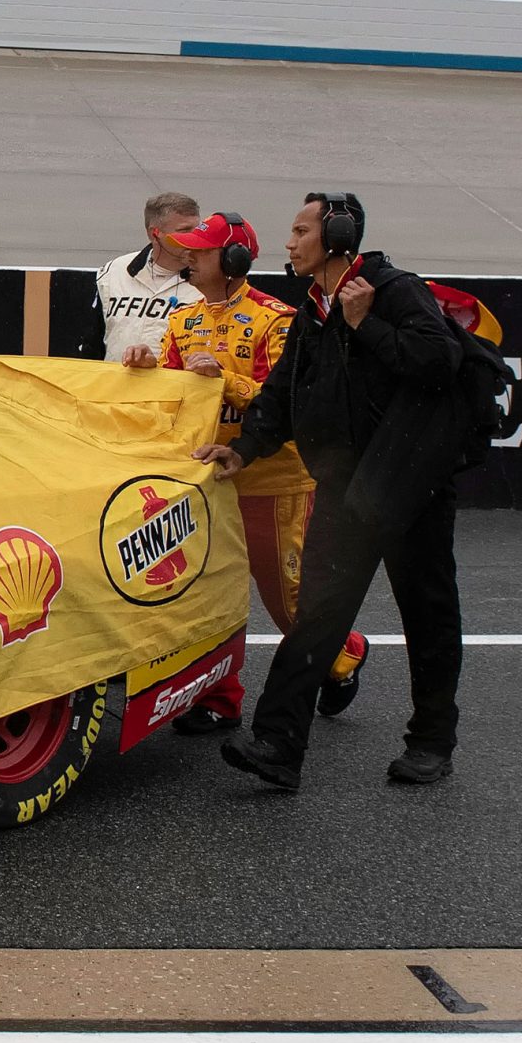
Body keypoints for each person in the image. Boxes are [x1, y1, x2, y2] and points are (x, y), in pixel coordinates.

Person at [200, 194, 472, 789]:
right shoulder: (314, 309)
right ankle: (277, 745)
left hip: (408, 484)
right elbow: (282, 394)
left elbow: (439, 360)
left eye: (300, 230)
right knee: (317, 615)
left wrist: (366, 325)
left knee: (427, 611)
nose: (289, 243)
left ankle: (431, 742)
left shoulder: (391, 290)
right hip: (347, 486)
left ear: (339, 235)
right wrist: (243, 449)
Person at [141, 213, 369, 736]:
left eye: (200, 250)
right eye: (187, 250)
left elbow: (289, 402)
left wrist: (224, 381)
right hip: (206, 482)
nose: (188, 258)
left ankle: (346, 652)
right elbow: (170, 398)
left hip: (275, 483)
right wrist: (142, 369)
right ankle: (220, 698)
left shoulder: (278, 320)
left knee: (289, 600)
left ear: (236, 260)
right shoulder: (181, 320)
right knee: (206, 594)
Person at [90, 192, 203, 363]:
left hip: (175, 389)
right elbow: (92, 344)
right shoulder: (114, 272)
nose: (195, 238)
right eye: (184, 230)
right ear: (155, 233)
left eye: (198, 230)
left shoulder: (212, 280)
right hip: (116, 387)